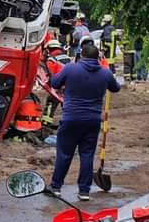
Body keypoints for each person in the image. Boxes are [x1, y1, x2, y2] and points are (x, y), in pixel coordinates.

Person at [49, 45, 120, 201]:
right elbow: (116, 88)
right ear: (98, 57)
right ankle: (84, 191)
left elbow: (54, 83)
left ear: (81, 55)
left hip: (71, 119)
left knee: (65, 154)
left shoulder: (70, 69)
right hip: (93, 121)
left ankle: (56, 187)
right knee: (87, 155)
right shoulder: (105, 73)